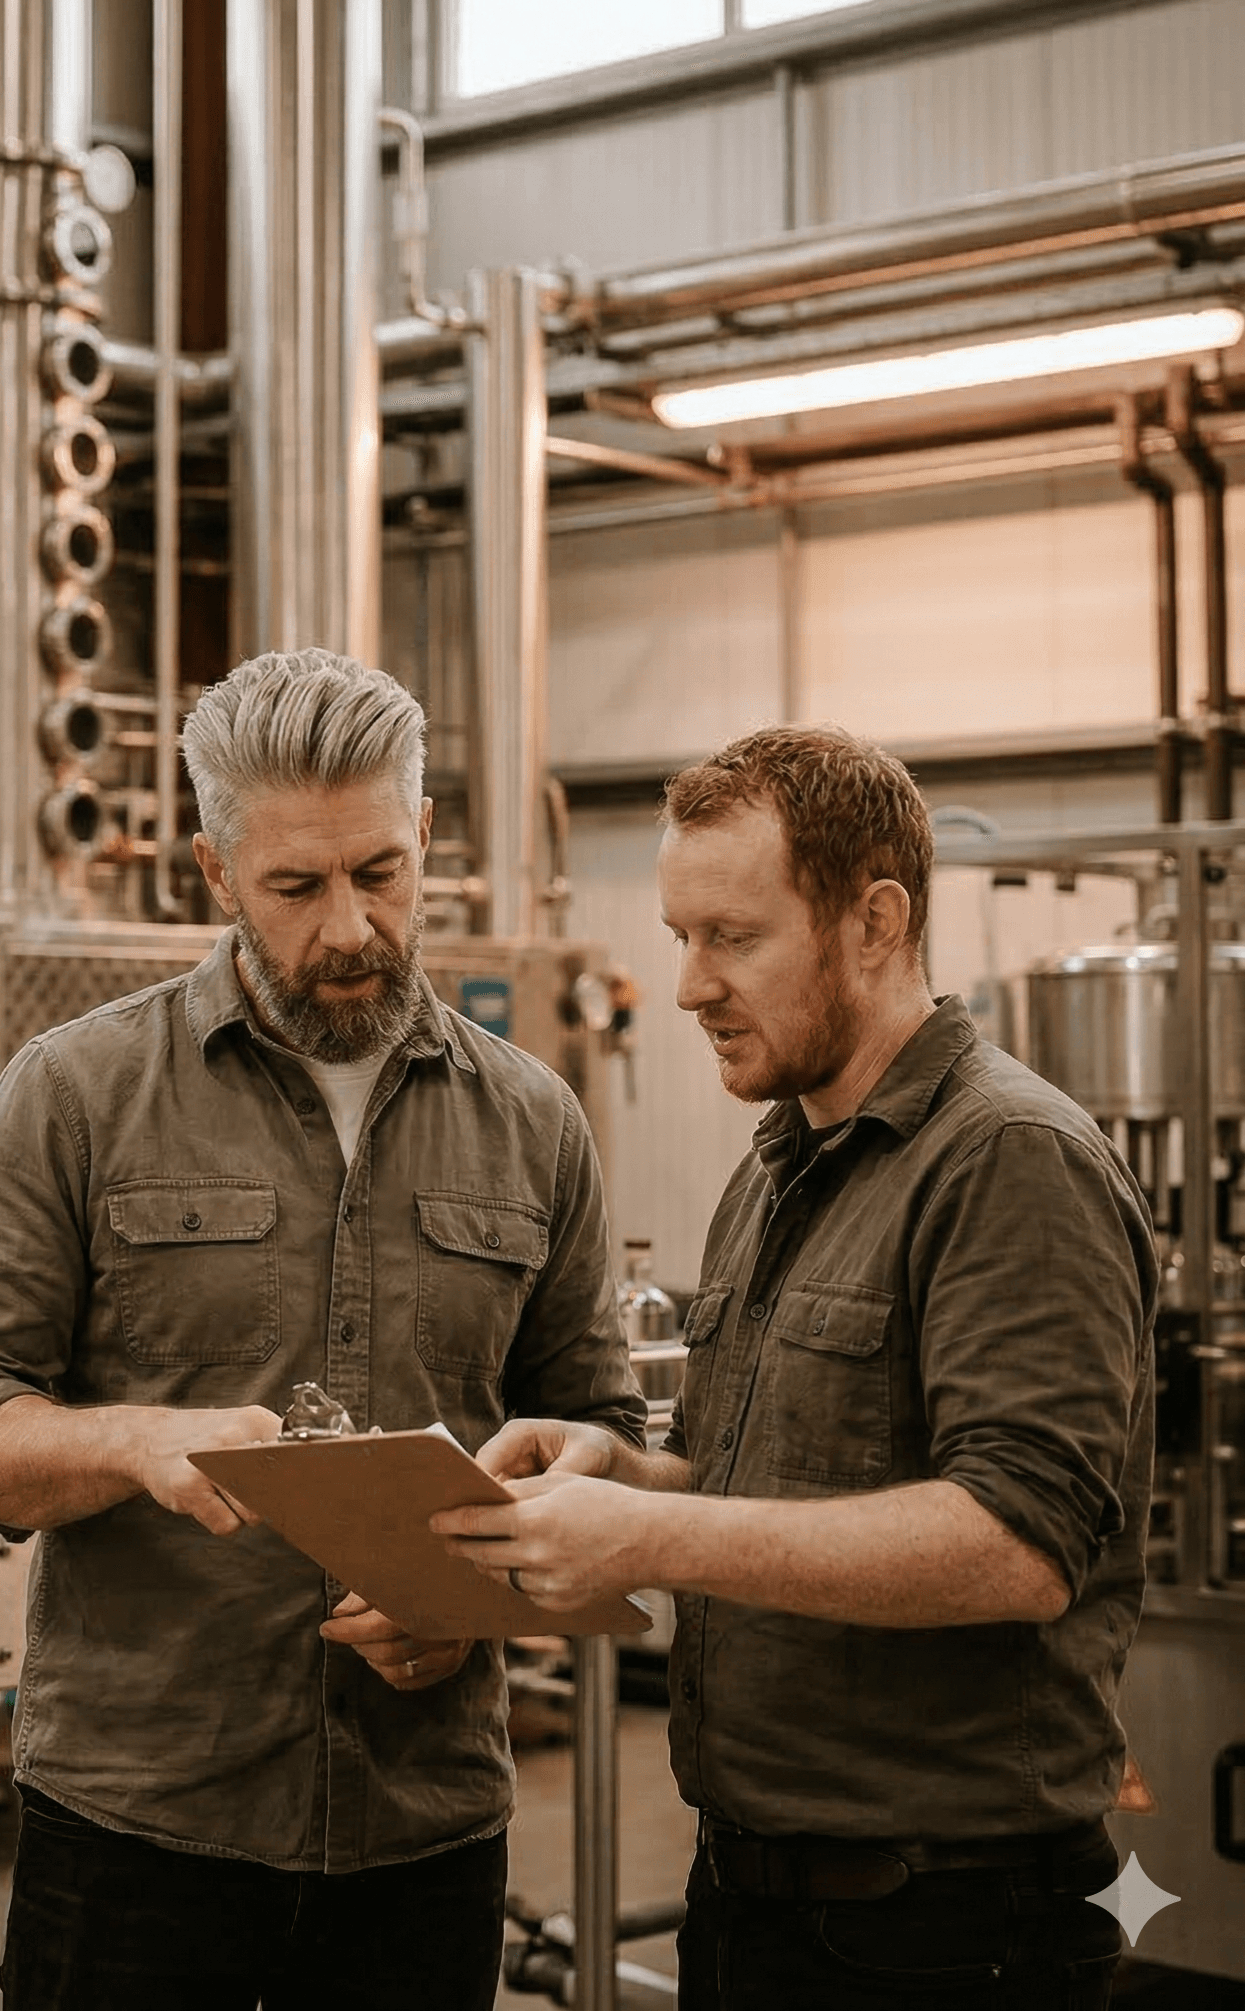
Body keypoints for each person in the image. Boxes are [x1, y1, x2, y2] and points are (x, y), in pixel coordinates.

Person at [0, 646, 645, 2011]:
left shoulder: (534, 1121)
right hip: (140, 1834)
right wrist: (138, 1443)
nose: (349, 927)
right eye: (297, 887)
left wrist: (478, 1604)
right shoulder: (75, 1093)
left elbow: (602, 1435)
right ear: (213, 870)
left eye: (380, 872)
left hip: (424, 1837)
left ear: (425, 837)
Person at [437, 725, 1156, 2010]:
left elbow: (1016, 1546)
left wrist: (648, 1544)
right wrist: (622, 1477)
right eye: (679, 939)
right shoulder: (780, 1165)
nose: (688, 987)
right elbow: (749, 1480)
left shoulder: (1005, 1162)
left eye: (733, 937)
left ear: (873, 921)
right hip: (758, 1901)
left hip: (942, 1929)